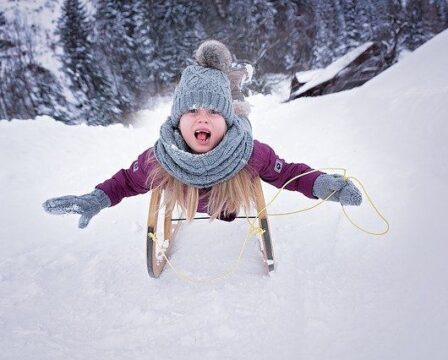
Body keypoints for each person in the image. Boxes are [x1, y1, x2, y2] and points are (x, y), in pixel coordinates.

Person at [43, 40, 362, 229]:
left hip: (229, 195)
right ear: (178, 121)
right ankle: (225, 85)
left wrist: (324, 185)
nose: (202, 119)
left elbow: (289, 174)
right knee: (214, 106)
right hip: (193, 193)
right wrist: (95, 199)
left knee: (227, 205)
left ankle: (230, 89)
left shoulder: (248, 153)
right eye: (192, 112)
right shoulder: (162, 157)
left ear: (227, 120)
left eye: (213, 113)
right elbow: (127, 181)